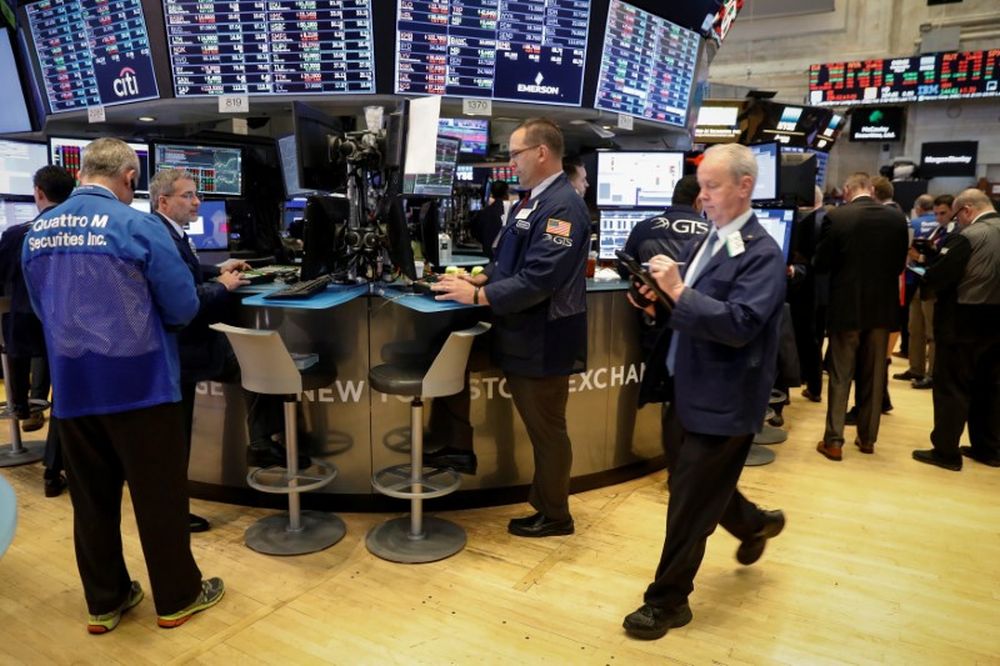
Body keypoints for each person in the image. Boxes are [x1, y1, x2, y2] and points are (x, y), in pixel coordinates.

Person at [21, 138, 223, 633]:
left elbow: (42, 307)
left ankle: (104, 603)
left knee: (91, 502)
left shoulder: (38, 231)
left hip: (72, 388)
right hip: (141, 385)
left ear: (84, 170)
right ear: (130, 179)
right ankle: (178, 597)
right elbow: (182, 307)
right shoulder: (138, 225)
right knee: (159, 498)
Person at [621, 143, 787, 640]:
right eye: (702, 185)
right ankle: (755, 523)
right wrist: (659, 304)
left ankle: (668, 601)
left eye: (713, 186)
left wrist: (678, 291)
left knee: (689, 501)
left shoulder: (763, 253)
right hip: (685, 388)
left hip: (725, 399)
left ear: (744, 186)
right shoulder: (712, 240)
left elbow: (740, 324)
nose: (704, 195)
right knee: (699, 487)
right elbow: (695, 313)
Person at [433, 118, 589, 538]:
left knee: (548, 432)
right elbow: (506, 263)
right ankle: (454, 449)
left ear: (541, 152)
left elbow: (540, 279)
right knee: (450, 359)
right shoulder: (530, 201)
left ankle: (556, 515)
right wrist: (478, 279)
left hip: (545, 341)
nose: (510, 163)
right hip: (518, 332)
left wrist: (479, 298)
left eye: (515, 154)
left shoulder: (562, 207)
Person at [149, 169, 287, 532]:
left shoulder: (167, 233)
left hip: (187, 347)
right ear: (163, 201)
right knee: (174, 440)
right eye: (188, 196)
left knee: (254, 362)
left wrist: (216, 271)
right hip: (186, 350)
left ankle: (260, 441)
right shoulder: (161, 235)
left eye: (197, 195)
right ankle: (172, 514)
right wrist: (223, 286)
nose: (197, 202)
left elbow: (186, 274)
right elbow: (184, 301)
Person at [815, 173, 908, 461]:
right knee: (874, 373)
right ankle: (867, 439)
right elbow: (898, 265)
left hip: (847, 308)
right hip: (882, 310)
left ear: (847, 190)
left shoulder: (839, 217)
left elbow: (822, 263)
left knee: (841, 375)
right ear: (871, 189)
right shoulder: (896, 219)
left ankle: (834, 441)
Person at [0, 166, 75, 496]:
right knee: (66, 396)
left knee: (13, 345)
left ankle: (21, 405)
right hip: (66, 326)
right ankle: (55, 465)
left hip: (23, 325)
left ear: (39, 193)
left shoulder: (16, 234)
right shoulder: (78, 230)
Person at [913, 189, 1000, 470]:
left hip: (961, 320)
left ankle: (946, 451)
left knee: (952, 386)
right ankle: (988, 448)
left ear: (966, 210)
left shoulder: (968, 236)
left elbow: (940, 276)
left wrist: (926, 268)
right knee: (990, 386)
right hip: (995, 321)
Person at [895, 194, 955, 389]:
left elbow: (943, 262)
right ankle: (916, 368)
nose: (939, 217)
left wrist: (921, 257)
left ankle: (932, 374)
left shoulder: (954, 233)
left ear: (953, 211)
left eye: (943, 213)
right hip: (919, 281)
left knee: (932, 333)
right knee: (915, 329)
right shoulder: (938, 229)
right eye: (936, 213)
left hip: (934, 287)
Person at [469, 179, 509, 260]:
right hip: (504, 256)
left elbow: (474, 233)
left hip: (486, 256)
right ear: (506, 193)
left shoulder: (483, 212)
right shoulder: (512, 208)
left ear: (491, 193)